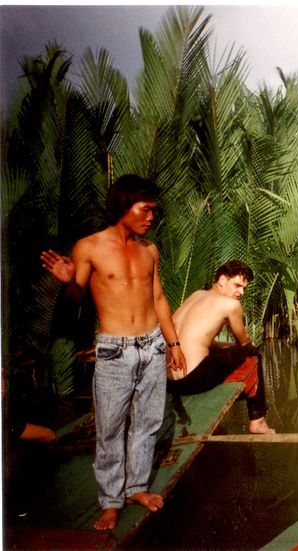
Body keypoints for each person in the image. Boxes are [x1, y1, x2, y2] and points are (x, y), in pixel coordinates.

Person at [40, 174, 186, 531]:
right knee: (110, 429)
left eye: (154, 210)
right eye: (145, 209)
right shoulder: (89, 247)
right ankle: (111, 501)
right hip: (114, 352)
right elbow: (77, 297)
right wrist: (68, 282)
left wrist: (173, 344)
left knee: (148, 423)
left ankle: (136, 489)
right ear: (124, 205)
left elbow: (159, 298)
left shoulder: (149, 250)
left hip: (152, 345)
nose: (151, 217)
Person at [168, 260, 274, 435]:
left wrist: (226, 345)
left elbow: (197, 340)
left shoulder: (196, 295)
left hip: (170, 380)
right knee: (254, 354)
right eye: (237, 285)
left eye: (244, 288)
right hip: (191, 380)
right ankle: (258, 420)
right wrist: (246, 345)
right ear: (222, 280)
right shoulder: (230, 305)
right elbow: (244, 343)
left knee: (225, 351)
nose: (241, 292)